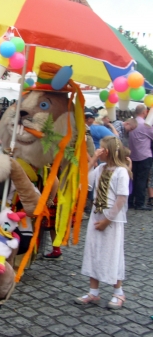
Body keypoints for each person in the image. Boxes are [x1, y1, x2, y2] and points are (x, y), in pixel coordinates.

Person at [75, 136, 130, 310]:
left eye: (102, 148)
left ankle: (118, 292)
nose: (99, 150)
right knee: (94, 251)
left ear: (109, 151)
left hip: (111, 220)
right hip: (96, 216)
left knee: (112, 253)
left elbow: (121, 198)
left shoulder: (121, 171)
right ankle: (94, 292)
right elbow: (85, 183)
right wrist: (92, 160)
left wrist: (108, 220)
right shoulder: (100, 168)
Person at [128, 104, 153, 210]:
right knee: (142, 180)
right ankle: (140, 203)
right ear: (144, 113)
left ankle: (130, 201)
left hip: (133, 155)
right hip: (144, 155)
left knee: (132, 179)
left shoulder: (131, 123)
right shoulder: (146, 125)